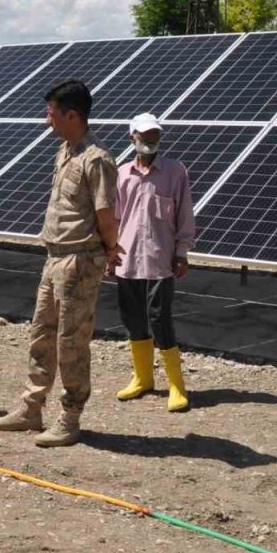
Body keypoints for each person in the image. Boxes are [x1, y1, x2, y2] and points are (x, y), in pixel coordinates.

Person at [0, 79, 120, 448]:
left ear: (72, 115)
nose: (47, 121)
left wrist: (111, 248)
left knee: (71, 343)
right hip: (55, 257)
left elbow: (106, 212)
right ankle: (32, 408)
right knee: (41, 336)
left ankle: (70, 417)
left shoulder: (97, 160)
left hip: (80, 261)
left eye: (52, 113)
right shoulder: (65, 152)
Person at [112, 113, 195, 412]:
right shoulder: (121, 174)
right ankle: (143, 378)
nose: (149, 140)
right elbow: (116, 218)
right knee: (133, 318)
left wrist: (182, 251)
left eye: (154, 135)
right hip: (127, 259)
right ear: (131, 137)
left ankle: (176, 385)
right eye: (144, 135)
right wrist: (110, 252)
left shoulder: (175, 172)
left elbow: (184, 213)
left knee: (161, 319)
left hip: (160, 259)